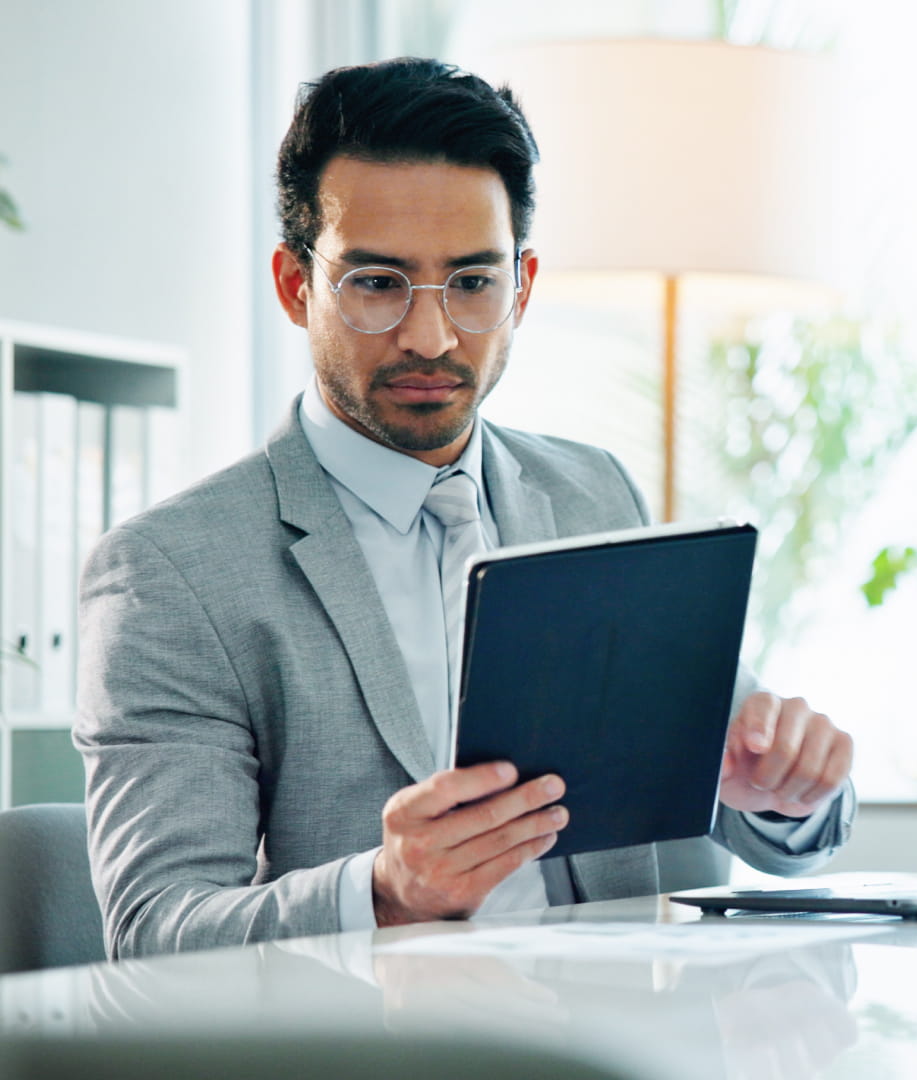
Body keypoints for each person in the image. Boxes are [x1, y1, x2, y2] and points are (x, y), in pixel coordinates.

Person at [75, 57, 854, 958]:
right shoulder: (169, 574)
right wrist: (384, 893)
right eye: (376, 283)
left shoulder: (594, 491)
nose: (430, 336)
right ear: (298, 288)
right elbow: (155, 933)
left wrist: (790, 789)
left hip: (631, 1035)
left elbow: (758, 817)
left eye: (473, 284)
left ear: (521, 288)